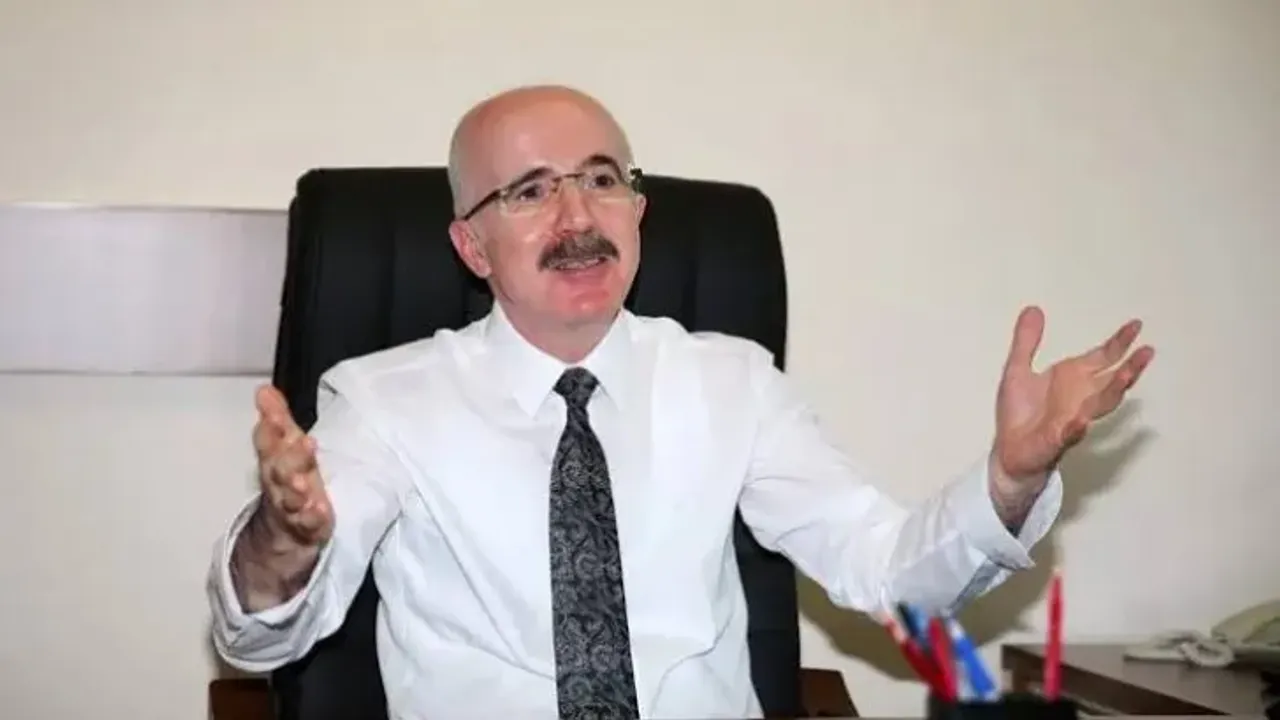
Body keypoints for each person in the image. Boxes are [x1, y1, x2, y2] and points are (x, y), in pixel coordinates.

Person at [207, 85, 1154, 720]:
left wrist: (1010, 479)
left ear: (638, 211)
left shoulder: (732, 383)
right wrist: (284, 543)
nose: (578, 218)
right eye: (530, 192)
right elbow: (262, 634)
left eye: (602, 180)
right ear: (470, 246)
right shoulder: (382, 399)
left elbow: (889, 571)